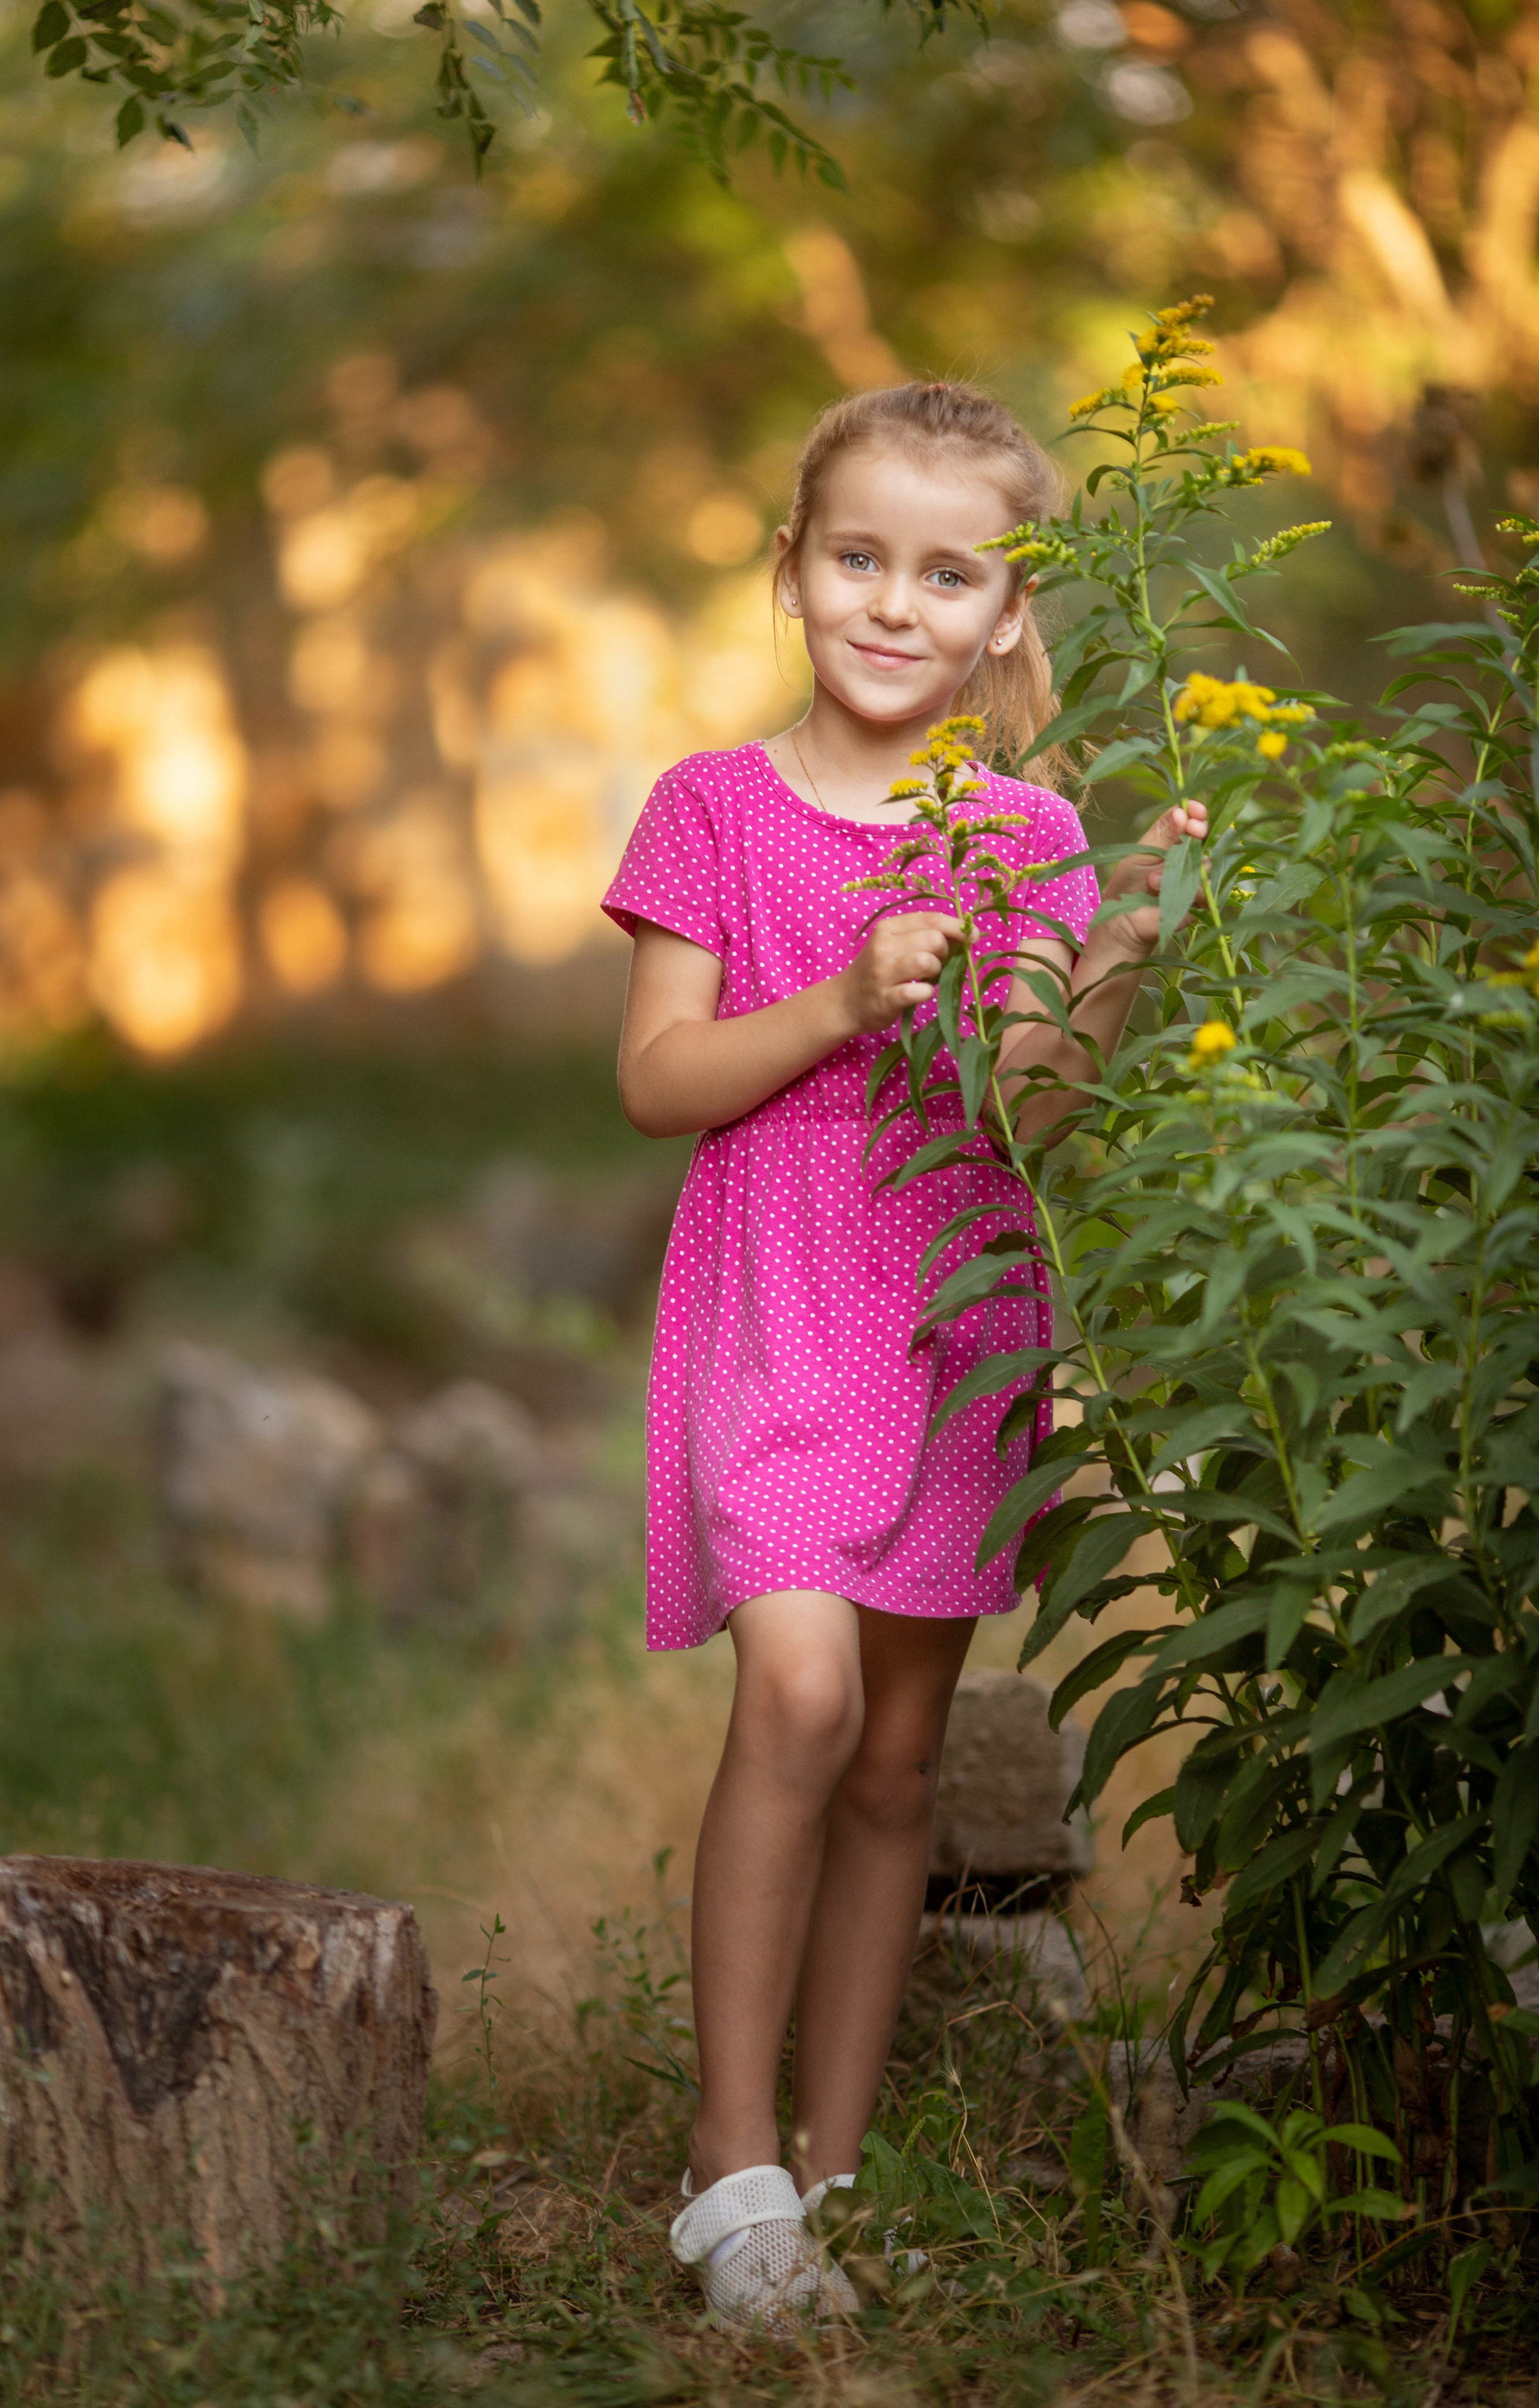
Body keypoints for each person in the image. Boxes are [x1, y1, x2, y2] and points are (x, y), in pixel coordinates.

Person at [600, 380, 1207, 2334]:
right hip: (775, 1306)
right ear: (790, 570)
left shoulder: (1028, 834)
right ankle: (731, 2173)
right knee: (797, 1695)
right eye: (858, 556)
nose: (893, 603)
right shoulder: (712, 807)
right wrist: (844, 996)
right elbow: (658, 1079)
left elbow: (1031, 1104)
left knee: (898, 1758)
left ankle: (837, 2177)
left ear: (1008, 613)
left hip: (949, 1320)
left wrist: (1127, 950)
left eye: (949, 575)